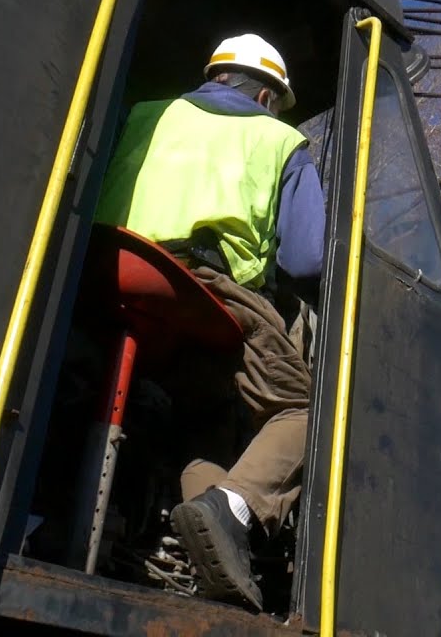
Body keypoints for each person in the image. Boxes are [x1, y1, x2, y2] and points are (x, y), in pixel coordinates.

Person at [94, 33, 326, 609]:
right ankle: (234, 507)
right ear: (269, 96)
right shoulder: (279, 140)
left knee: (210, 414)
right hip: (200, 285)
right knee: (303, 409)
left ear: (214, 76)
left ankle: (207, 547)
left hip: (107, 275)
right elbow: (306, 258)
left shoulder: (146, 114)